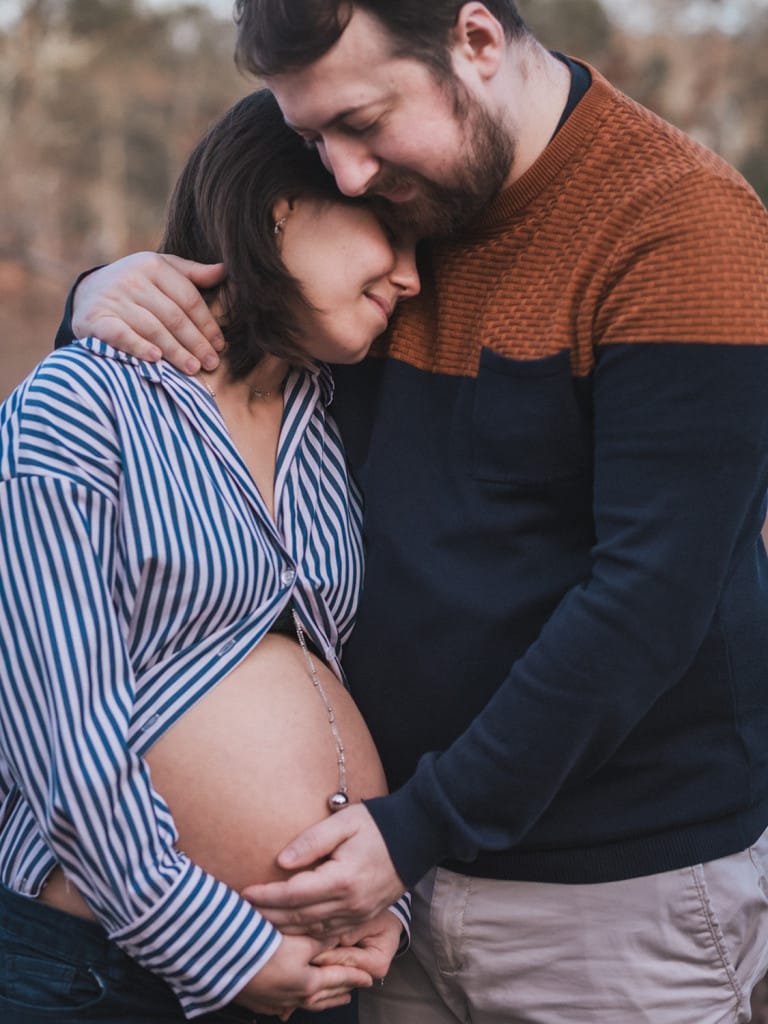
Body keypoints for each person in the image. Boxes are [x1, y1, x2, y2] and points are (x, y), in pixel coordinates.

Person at [54, 2, 768, 1022]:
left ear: (476, 41)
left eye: (363, 122)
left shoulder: (684, 230)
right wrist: (104, 299)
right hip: (372, 904)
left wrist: (417, 828)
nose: (345, 172)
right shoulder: (385, 204)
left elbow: (651, 599)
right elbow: (221, 335)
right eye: (313, 140)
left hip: (604, 900)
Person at [0, 87, 421, 1023]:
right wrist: (219, 949)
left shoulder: (336, 420)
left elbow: (365, 679)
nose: (410, 277)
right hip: (103, 976)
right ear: (280, 209)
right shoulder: (81, 408)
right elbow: (59, 732)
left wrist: (384, 903)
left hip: (322, 970)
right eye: (389, 235)